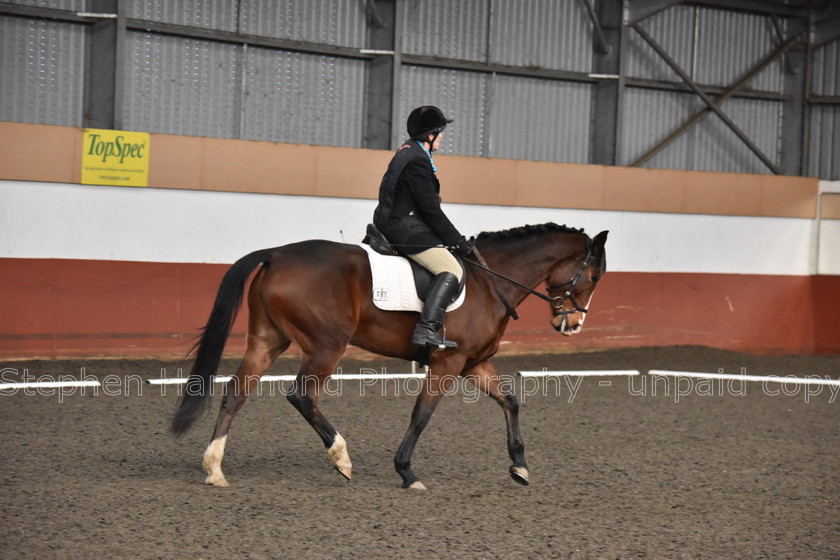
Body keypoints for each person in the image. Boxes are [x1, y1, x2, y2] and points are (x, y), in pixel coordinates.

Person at [372, 105, 473, 350]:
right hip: (402, 227)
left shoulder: (409, 150)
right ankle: (426, 328)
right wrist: (457, 240)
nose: (442, 136)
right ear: (429, 136)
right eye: (440, 132)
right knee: (451, 269)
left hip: (397, 220)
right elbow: (430, 209)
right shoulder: (417, 161)